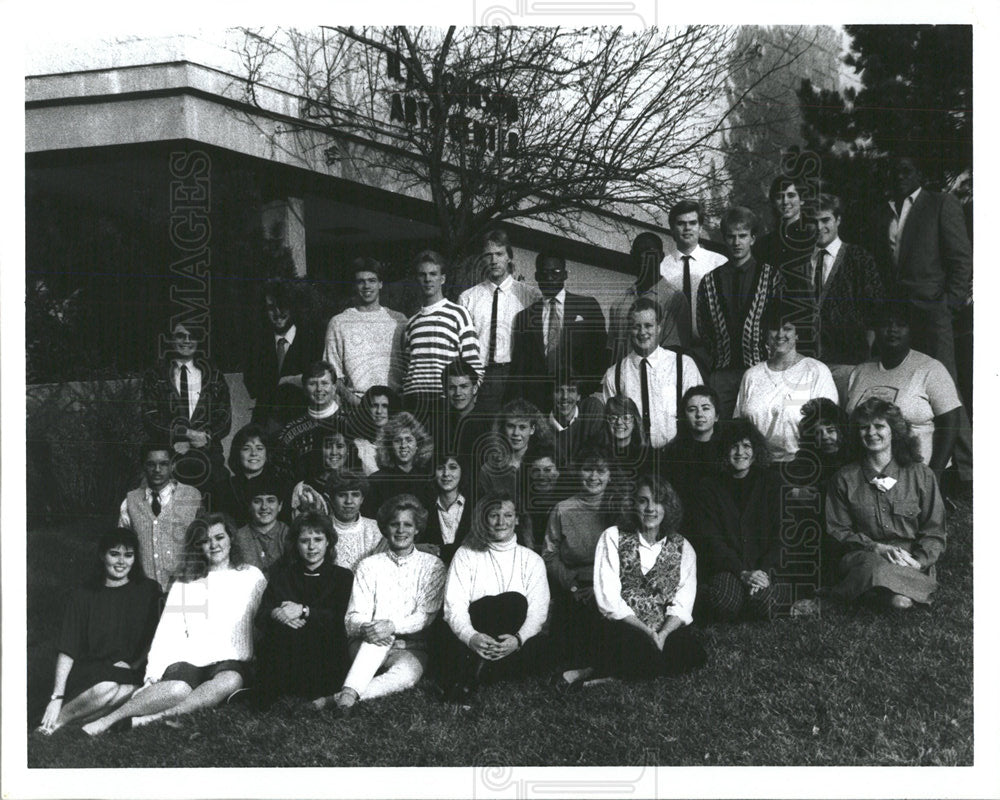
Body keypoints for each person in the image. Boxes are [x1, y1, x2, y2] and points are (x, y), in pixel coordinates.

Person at [82, 514, 267, 734]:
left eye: (219, 537)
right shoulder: (186, 582)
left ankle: (154, 718)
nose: (214, 545)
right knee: (178, 689)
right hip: (191, 658)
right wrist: (153, 674)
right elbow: (168, 632)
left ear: (231, 540)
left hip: (232, 661)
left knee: (230, 680)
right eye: (206, 541)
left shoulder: (252, 576)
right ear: (198, 547)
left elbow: (265, 621)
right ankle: (107, 720)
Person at [312, 495, 446, 716]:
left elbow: (426, 616)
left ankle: (341, 697)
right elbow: (353, 617)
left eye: (407, 525)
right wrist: (370, 629)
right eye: (395, 524)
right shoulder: (369, 565)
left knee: (408, 675)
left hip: (411, 648)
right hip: (368, 644)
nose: (401, 530)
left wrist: (391, 626)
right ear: (385, 528)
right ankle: (346, 699)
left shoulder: (432, 565)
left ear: (417, 530)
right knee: (377, 638)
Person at [575, 473, 705, 684]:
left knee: (693, 653)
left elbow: (683, 603)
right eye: (643, 501)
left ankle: (611, 675)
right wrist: (647, 633)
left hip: (663, 627)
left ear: (668, 507)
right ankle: (622, 668)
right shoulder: (613, 537)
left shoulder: (684, 547)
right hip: (622, 626)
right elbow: (610, 602)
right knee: (639, 646)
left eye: (658, 502)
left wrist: (662, 635)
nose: (650, 509)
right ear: (633, 505)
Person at [825, 398, 947, 609]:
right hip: (864, 556)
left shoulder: (921, 475)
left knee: (897, 591)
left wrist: (919, 561)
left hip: (907, 559)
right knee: (872, 567)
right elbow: (837, 531)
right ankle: (893, 592)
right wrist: (875, 548)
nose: (871, 432)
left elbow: (934, 530)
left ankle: (860, 595)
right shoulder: (844, 478)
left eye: (879, 426)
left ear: (894, 431)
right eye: (864, 427)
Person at [37, 528, 162, 735]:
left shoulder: (148, 590)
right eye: (114, 554)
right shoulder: (82, 594)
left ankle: (77, 725)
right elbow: (68, 647)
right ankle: (56, 723)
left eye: (128, 555)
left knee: (129, 691)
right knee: (108, 687)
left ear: (135, 558)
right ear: (102, 555)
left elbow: (155, 639)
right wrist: (56, 697)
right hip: (92, 670)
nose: (121, 562)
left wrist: (134, 664)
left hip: (130, 671)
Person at [441, 494, 550, 705]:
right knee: (505, 602)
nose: (501, 522)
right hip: (473, 633)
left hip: (512, 640)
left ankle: (474, 675)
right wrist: (472, 637)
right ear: (483, 519)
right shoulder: (466, 554)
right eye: (494, 515)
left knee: (516, 603)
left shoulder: (532, 560)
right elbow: (454, 605)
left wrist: (517, 640)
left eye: (508, 515)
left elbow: (538, 611)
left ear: (517, 519)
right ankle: (477, 673)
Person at [845, 303, 963, 484]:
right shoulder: (860, 372)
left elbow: (951, 423)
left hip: (915, 474)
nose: (893, 330)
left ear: (912, 330)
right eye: (886, 324)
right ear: (876, 330)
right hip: (866, 472)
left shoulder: (930, 369)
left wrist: (934, 475)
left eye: (901, 324)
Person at [255, 512, 354, 707]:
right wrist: (277, 614)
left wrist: (304, 610)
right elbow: (261, 616)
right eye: (304, 541)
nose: (311, 547)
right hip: (289, 650)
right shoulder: (282, 576)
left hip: (325, 651)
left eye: (318, 539)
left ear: (328, 542)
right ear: (296, 544)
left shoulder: (342, 576)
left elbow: (340, 617)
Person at [696, 206, 785, 419]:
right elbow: (704, 326)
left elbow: (779, 322)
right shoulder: (709, 281)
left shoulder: (771, 276)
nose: (737, 242)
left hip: (760, 368)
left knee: (758, 425)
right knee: (722, 428)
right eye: (731, 236)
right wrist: (720, 354)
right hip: (722, 373)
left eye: (742, 236)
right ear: (725, 239)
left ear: (753, 238)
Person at [692, 419, 783, 622]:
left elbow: (782, 535)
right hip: (729, 568)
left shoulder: (772, 482)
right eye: (733, 446)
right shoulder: (708, 486)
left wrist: (763, 572)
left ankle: (750, 597)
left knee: (763, 605)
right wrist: (742, 572)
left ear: (756, 450)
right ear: (723, 451)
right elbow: (711, 540)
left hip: (764, 567)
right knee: (724, 602)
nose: (740, 452)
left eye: (746, 446)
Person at [541, 446, 618, 669]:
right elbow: (549, 554)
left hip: (609, 585)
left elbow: (627, 554)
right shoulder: (563, 509)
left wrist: (600, 588)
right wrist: (571, 585)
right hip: (572, 585)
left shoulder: (619, 507)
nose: (593, 477)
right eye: (588, 470)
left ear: (610, 474)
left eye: (600, 471)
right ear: (578, 472)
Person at [733, 304, 838, 464]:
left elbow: (829, 427)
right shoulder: (751, 375)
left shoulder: (816, 371)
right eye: (774, 328)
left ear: (797, 334)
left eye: (787, 328)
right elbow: (738, 427)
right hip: (756, 467)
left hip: (800, 466)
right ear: (766, 334)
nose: (780, 334)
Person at [801, 193, 884, 394]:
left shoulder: (859, 258)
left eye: (825, 220)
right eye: (813, 221)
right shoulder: (799, 263)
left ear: (838, 220)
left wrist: (864, 353)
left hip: (849, 361)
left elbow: (876, 308)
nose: (820, 227)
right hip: (808, 365)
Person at [508, 251, 607, 410]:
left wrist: (582, 389)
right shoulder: (524, 318)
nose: (549, 278)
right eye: (544, 273)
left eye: (555, 272)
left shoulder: (587, 307)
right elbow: (519, 368)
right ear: (537, 276)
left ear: (565, 275)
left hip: (574, 400)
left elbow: (600, 353)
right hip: (536, 402)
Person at [602, 297, 703, 449]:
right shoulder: (613, 375)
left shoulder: (684, 365)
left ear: (659, 327)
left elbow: (698, 414)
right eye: (636, 326)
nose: (642, 332)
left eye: (648, 325)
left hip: (677, 456)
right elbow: (610, 424)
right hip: (634, 459)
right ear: (629, 329)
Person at [140, 321, 232, 489]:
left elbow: (224, 418)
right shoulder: (155, 377)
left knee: (217, 505)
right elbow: (150, 418)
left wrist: (200, 439)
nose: (187, 341)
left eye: (193, 336)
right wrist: (184, 433)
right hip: (169, 457)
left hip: (209, 458)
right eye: (181, 336)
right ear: (171, 339)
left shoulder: (214, 376)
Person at [459, 228, 542, 414]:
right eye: (488, 255)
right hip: (483, 376)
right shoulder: (468, 298)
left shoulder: (529, 296)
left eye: (499, 254)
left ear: (509, 257)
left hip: (516, 374)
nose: (494, 260)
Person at [401, 250, 483, 423]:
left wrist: (468, 401)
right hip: (414, 401)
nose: (428, 279)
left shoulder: (458, 314)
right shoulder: (411, 322)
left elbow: (473, 364)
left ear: (442, 279)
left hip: (443, 399)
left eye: (433, 274)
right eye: (422, 274)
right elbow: (406, 367)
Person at [118, 441, 202, 593]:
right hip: (143, 591)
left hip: (184, 589)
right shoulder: (130, 501)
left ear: (172, 465)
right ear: (143, 466)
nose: (157, 470)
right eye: (151, 464)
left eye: (163, 464)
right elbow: (123, 547)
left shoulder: (192, 497)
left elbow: (202, 544)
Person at [323, 257, 407, 408]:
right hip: (356, 407)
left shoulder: (399, 321)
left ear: (381, 284)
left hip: (393, 405)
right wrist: (358, 404)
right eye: (360, 281)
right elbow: (333, 374)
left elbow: (409, 367)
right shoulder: (339, 323)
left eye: (372, 280)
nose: (366, 285)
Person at [243, 278, 319, 438]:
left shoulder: (312, 341)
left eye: (282, 305)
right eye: (271, 307)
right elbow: (252, 385)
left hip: (304, 424)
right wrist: (290, 380)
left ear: (293, 306)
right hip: (265, 425)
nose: (277, 312)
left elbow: (318, 383)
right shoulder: (257, 344)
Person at [659, 200, 728, 371]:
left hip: (711, 351)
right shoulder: (661, 267)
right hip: (670, 351)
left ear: (700, 227)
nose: (687, 228)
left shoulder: (719, 263)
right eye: (681, 223)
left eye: (692, 223)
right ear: (672, 229)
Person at [475, 399, 553, 549]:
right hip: (504, 543)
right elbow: (484, 514)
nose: (516, 433)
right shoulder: (489, 470)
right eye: (511, 426)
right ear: (503, 428)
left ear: (532, 429)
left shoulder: (547, 464)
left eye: (522, 427)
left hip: (546, 541)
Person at [608, 232, 691, 365]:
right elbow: (611, 351)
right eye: (639, 253)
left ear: (661, 257)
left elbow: (675, 350)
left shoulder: (674, 298)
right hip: (622, 380)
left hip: (657, 380)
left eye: (650, 252)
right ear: (632, 256)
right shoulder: (620, 303)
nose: (644, 258)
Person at [274, 360, 343, 484]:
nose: (319, 389)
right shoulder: (291, 433)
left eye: (324, 383)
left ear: (334, 387)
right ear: (305, 389)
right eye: (313, 384)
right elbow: (282, 477)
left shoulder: (352, 424)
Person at [660, 385, 723, 511]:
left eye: (705, 408)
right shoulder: (673, 453)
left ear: (717, 416)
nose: (699, 414)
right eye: (692, 409)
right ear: (684, 415)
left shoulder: (727, 449)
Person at [288, 414, 362, 517]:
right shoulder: (305, 488)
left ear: (348, 450)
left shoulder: (359, 484)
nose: (334, 452)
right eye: (328, 447)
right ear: (319, 450)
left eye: (339, 446)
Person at [431, 358, 494, 477]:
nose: (458, 393)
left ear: (475, 389)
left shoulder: (490, 423)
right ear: (444, 391)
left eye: (464, 386)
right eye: (452, 388)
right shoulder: (439, 424)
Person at [365, 411, 435, 517]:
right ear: (389, 446)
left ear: (418, 445)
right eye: (398, 440)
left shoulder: (429, 479)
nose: (403, 445)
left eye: (409, 440)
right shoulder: (375, 481)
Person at [754, 174, 816, 291]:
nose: (785, 201)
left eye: (791, 195)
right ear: (773, 202)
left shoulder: (814, 238)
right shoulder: (764, 244)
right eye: (779, 197)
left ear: (802, 200)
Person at [212, 423, 279, 526]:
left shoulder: (279, 485)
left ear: (267, 454)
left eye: (259, 448)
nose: (253, 453)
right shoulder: (222, 488)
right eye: (246, 448)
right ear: (237, 453)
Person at [597, 395, 652, 513]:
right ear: (606, 422)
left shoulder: (647, 454)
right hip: (602, 510)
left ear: (635, 421)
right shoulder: (597, 451)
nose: (619, 422)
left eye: (626, 417)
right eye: (613, 418)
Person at [327, 471, 386, 572]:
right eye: (342, 495)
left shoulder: (376, 529)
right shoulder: (322, 528)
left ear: (362, 499)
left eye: (355, 495)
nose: (349, 501)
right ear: (332, 499)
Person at [420, 451, 473, 564]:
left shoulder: (475, 507)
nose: (446, 473)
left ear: (462, 471)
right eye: (440, 468)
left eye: (452, 467)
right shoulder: (423, 507)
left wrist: (439, 550)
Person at [233, 474, 290, 574]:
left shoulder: (289, 534)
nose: (264, 507)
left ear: (280, 506)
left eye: (271, 500)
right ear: (249, 506)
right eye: (257, 501)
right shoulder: (238, 537)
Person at [350, 386, 399, 476]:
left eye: (385, 406)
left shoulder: (400, 442)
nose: (379, 411)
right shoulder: (358, 445)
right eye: (374, 406)